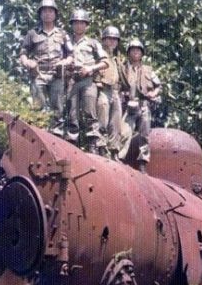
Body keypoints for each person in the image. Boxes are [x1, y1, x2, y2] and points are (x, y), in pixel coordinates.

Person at [19, 0, 70, 136]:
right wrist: (27, 62)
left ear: (55, 14)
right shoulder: (32, 33)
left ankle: (57, 137)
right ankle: (38, 136)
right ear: (40, 14)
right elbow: (23, 53)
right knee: (37, 108)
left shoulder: (62, 34)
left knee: (58, 109)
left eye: (50, 11)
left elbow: (71, 55)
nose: (47, 14)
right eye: (44, 11)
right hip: (38, 74)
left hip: (56, 75)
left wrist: (64, 62)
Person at [65, 9, 108, 153]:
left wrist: (90, 68)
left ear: (86, 25)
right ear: (72, 25)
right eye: (76, 23)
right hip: (71, 79)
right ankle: (72, 143)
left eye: (81, 23)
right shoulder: (66, 42)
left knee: (90, 113)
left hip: (88, 80)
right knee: (72, 113)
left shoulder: (93, 42)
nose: (78, 26)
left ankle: (93, 144)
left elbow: (105, 62)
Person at [120, 39, 162, 172]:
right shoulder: (124, 68)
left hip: (144, 105)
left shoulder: (148, 70)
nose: (135, 52)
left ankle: (143, 162)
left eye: (138, 50)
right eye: (133, 50)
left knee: (144, 135)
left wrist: (153, 94)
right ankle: (120, 157)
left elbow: (158, 86)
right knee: (125, 132)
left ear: (142, 53)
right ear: (129, 53)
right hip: (129, 104)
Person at [95, 26, 125, 158]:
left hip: (115, 91)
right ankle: (101, 148)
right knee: (102, 121)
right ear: (104, 40)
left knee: (116, 123)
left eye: (115, 39)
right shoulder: (99, 55)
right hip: (103, 89)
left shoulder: (117, 59)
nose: (112, 42)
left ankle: (114, 151)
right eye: (109, 39)